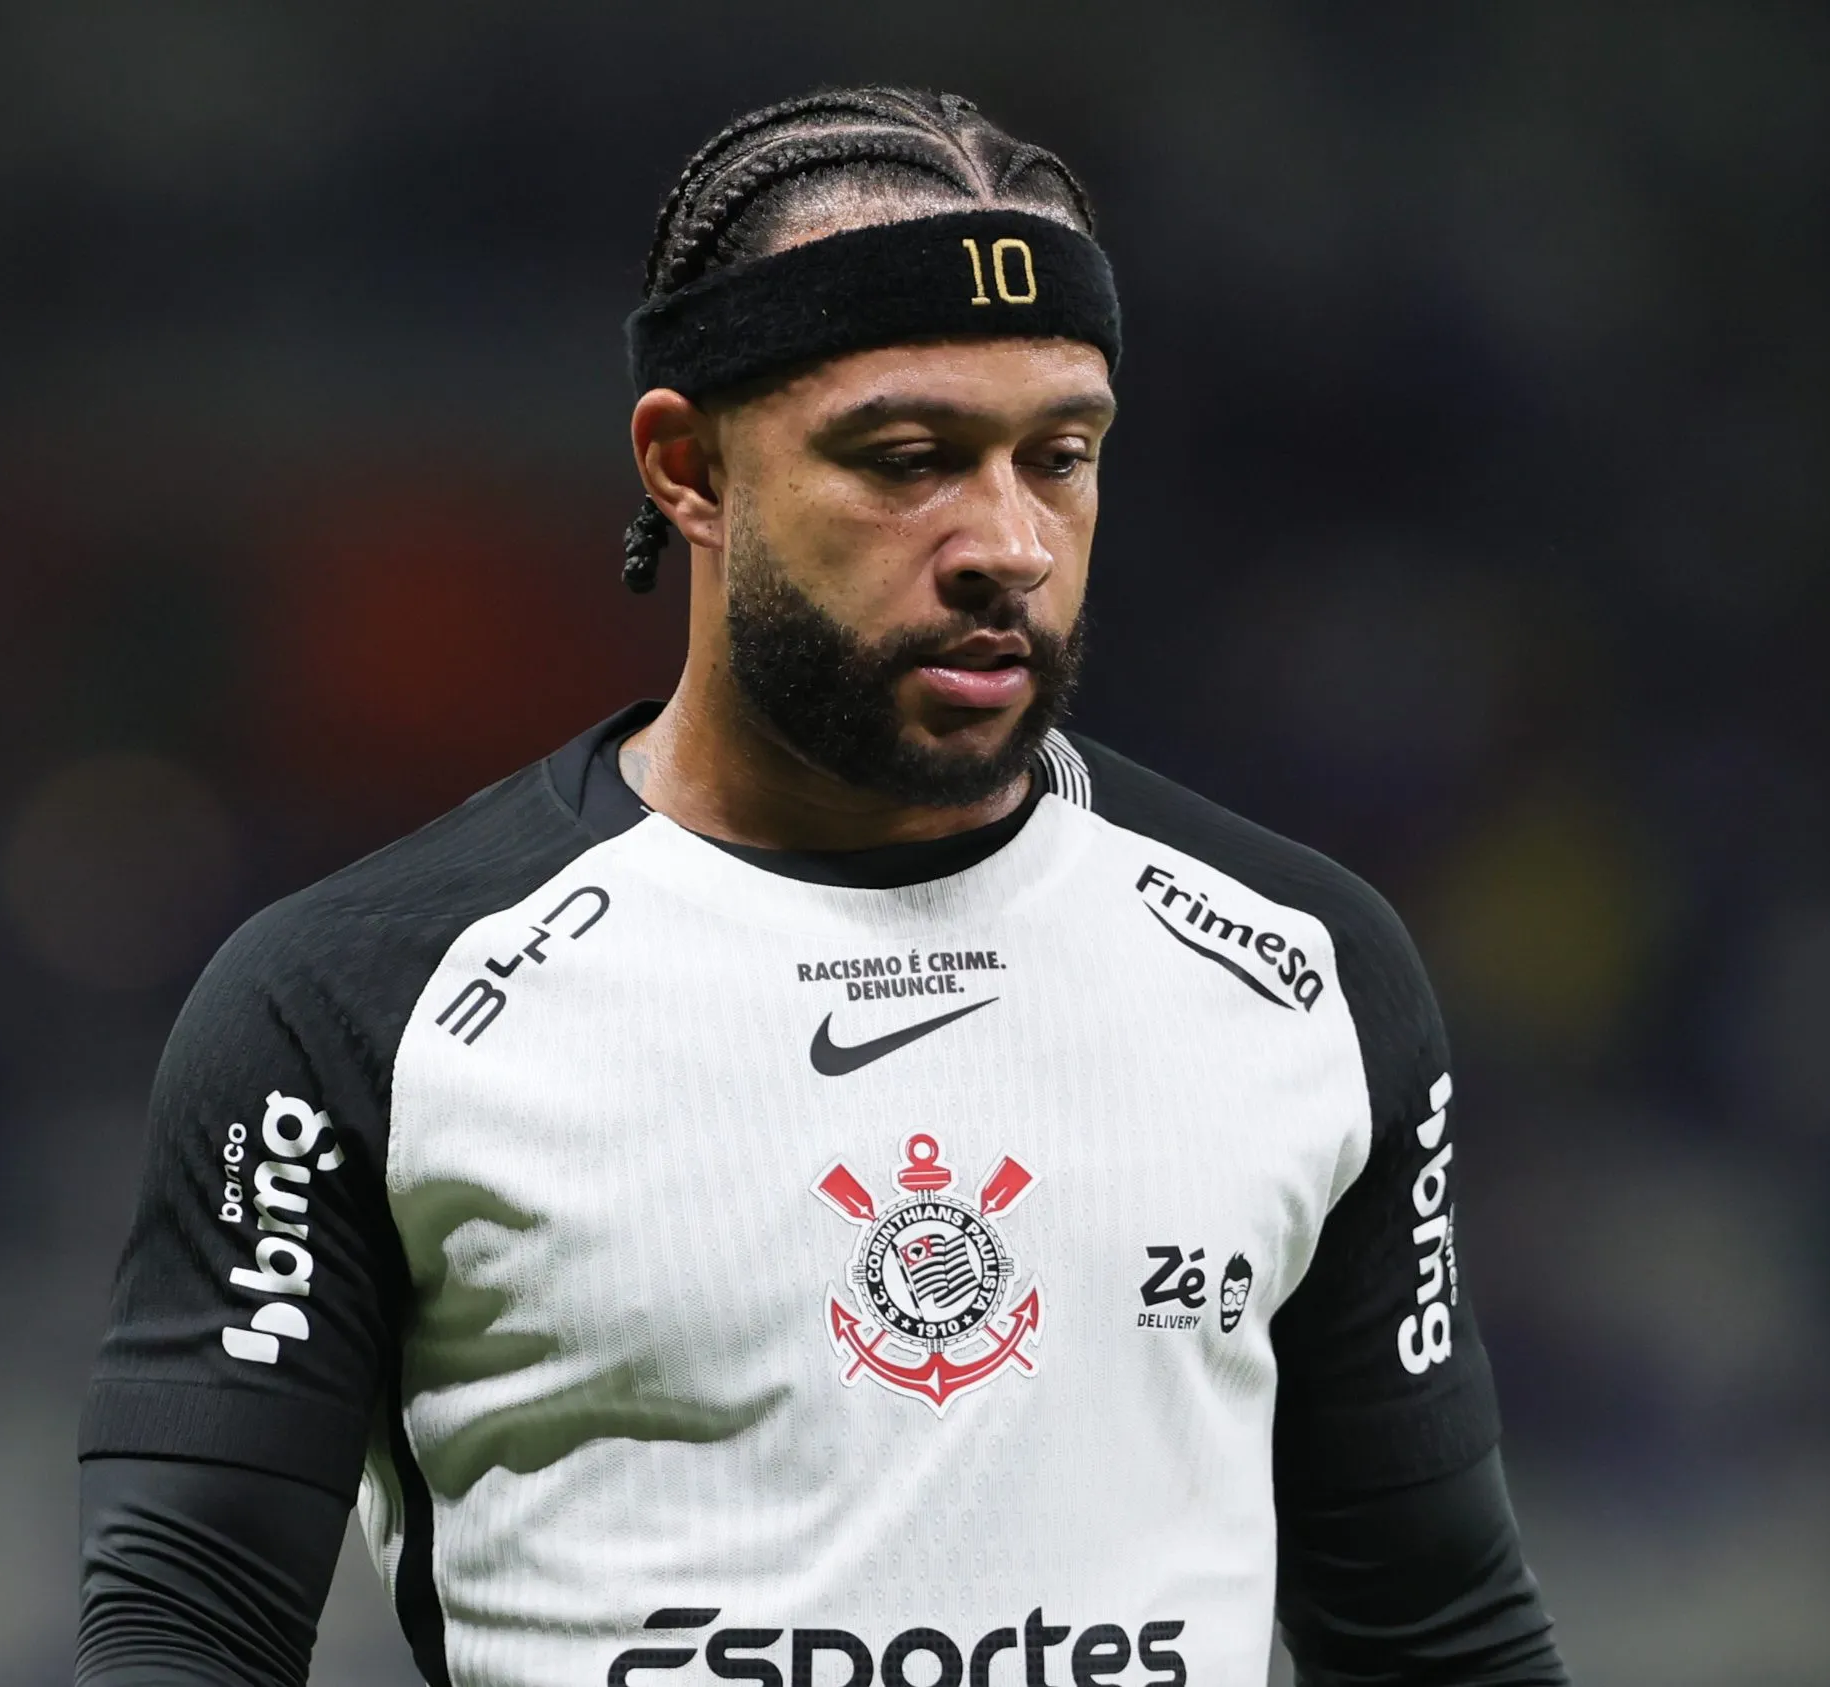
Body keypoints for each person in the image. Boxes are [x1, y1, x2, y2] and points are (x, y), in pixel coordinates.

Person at [75, 86, 1565, 1687]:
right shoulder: (349, 1005)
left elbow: (1439, 1633)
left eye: (1058, 455)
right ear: (688, 466)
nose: (1007, 539)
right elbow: (187, 1627)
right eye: (909, 456)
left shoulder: (1303, 969)